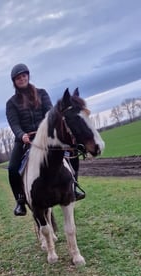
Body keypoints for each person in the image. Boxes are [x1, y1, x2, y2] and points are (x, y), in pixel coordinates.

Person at [5, 63, 84, 216]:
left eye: (23, 76)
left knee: (72, 153)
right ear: (14, 82)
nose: (22, 79)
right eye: (18, 78)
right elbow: (14, 124)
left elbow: (50, 114)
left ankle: (74, 187)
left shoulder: (42, 93)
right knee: (12, 169)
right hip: (25, 139)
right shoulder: (11, 103)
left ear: (28, 76)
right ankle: (20, 201)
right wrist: (21, 135)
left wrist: (49, 130)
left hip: (45, 136)